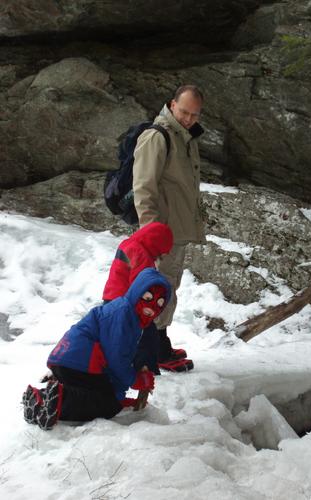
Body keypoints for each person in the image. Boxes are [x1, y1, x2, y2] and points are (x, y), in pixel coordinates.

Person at [22, 268, 171, 430]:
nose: (152, 306)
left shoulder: (130, 316)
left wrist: (119, 397)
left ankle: (52, 396)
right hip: (78, 362)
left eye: (159, 303)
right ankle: (48, 401)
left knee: (107, 398)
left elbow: (115, 361)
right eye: (147, 298)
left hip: (70, 361)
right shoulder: (123, 314)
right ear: (136, 293)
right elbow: (117, 359)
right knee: (107, 404)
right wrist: (135, 381)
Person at [132, 85, 206, 371]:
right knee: (155, 289)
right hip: (161, 232)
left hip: (175, 230)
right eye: (184, 111)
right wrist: (150, 234)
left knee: (168, 286)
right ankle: (147, 354)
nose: (188, 118)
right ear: (172, 104)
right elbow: (143, 187)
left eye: (194, 114)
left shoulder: (185, 137)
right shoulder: (157, 136)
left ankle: (158, 345)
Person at [102, 221, 188, 374]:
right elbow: (141, 285)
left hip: (111, 297)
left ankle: (116, 363)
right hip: (126, 303)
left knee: (118, 335)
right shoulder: (141, 255)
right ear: (156, 243)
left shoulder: (128, 244)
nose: (163, 254)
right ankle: (146, 371)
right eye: (162, 250)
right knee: (147, 338)